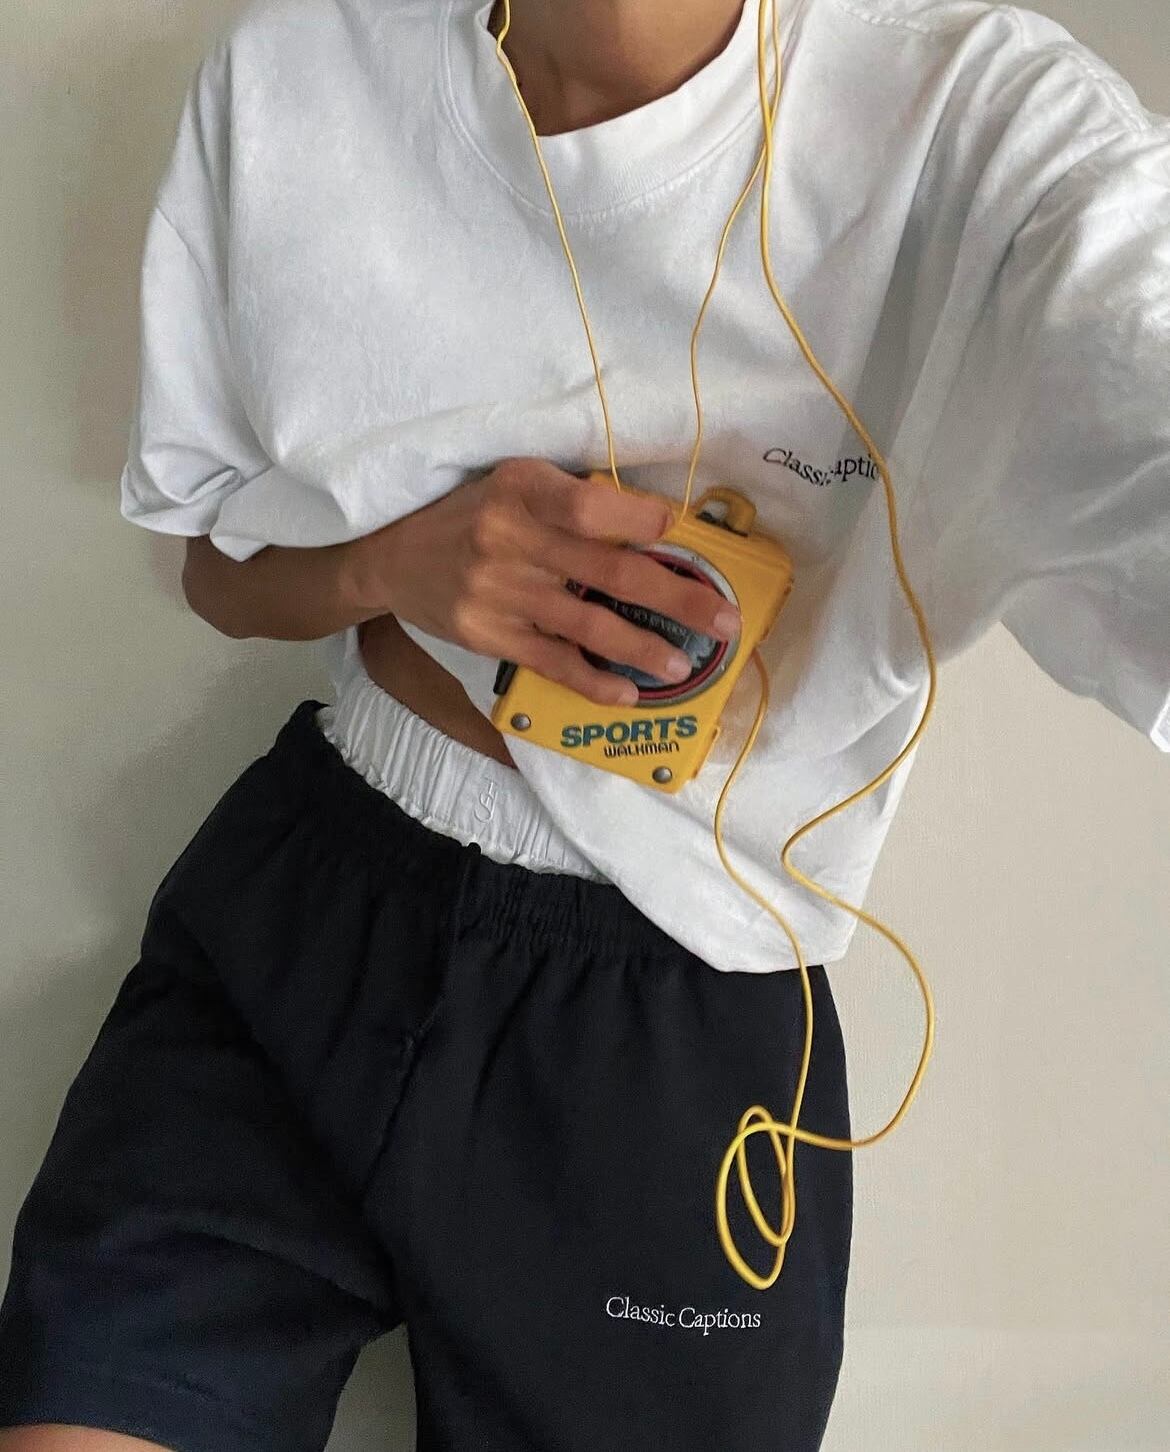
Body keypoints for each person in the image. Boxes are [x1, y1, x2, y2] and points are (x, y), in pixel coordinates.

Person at [1, 0, 1167, 1448]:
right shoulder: (291, 78)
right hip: (311, 899)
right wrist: (395, 564)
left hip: (670, 1028)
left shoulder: (989, 136)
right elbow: (215, 566)